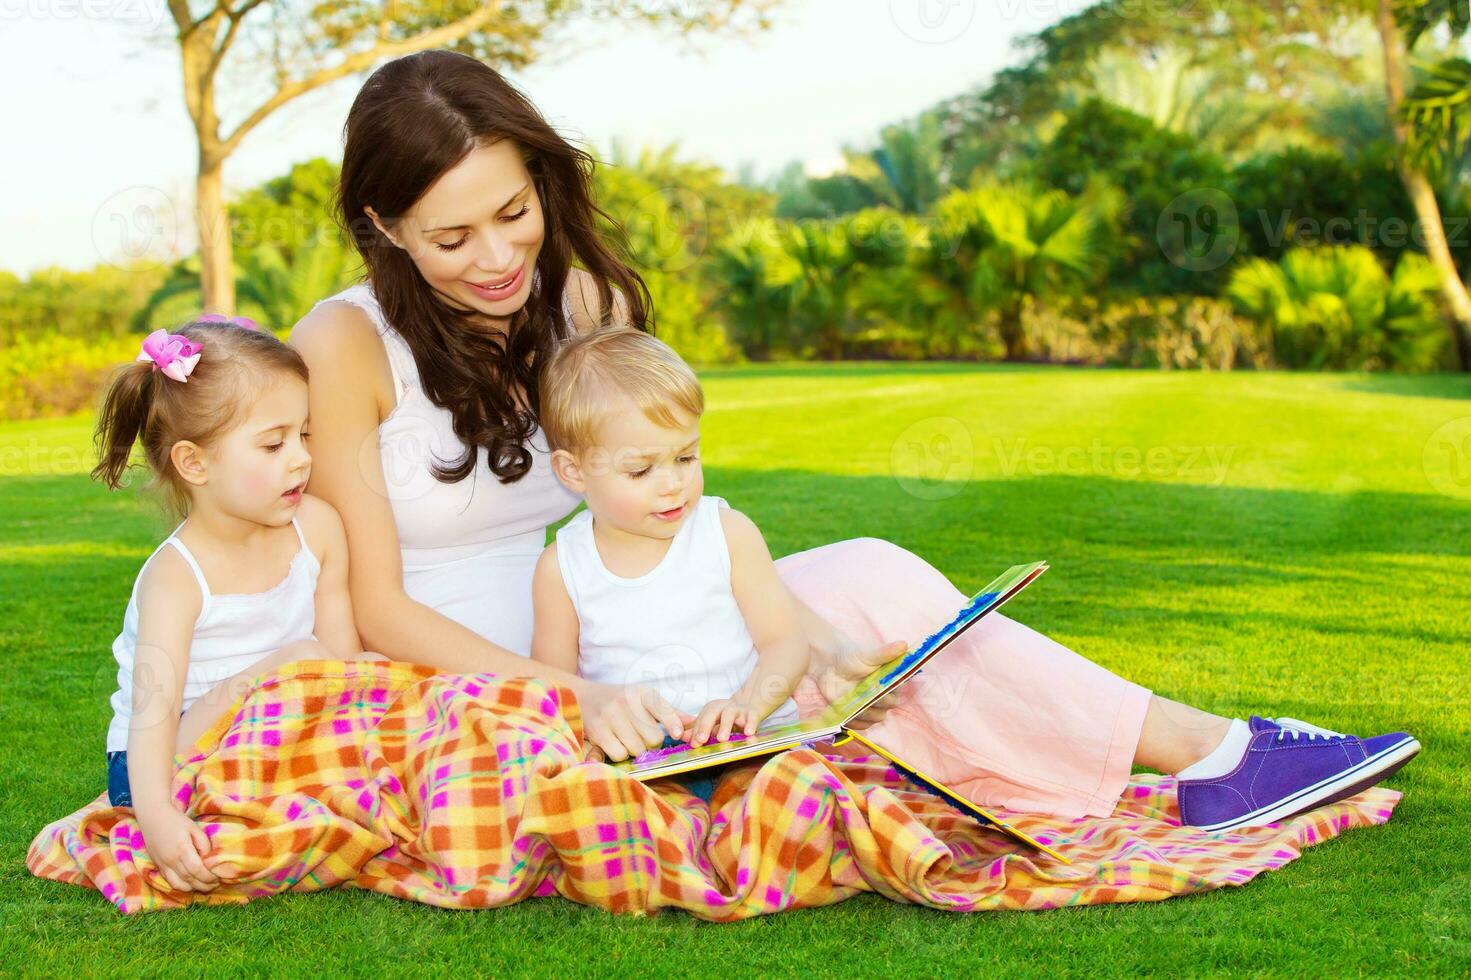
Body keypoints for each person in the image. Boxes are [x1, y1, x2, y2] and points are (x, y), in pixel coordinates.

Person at [289, 49, 1419, 834]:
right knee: (852, 608)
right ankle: (1210, 754)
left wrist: (759, 613)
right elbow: (378, 608)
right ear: (382, 225)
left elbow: (654, 489)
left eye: (514, 212)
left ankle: (1206, 753)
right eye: (450, 235)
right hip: (478, 666)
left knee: (866, 582)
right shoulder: (342, 343)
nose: (495, 256)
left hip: (615, 616)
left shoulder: (579, 302)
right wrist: (564, 691)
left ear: (543, 182)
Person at [91, 317, 383, 895]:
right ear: (194, 463)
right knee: (299, 657)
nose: (300, 459)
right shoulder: (177, 578)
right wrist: (155, 816)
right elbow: (154, 714)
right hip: (159, 758)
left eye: (305, 434)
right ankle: (140, 808)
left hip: (271, 730)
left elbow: (340, 665)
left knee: (361, 670)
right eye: (274, 444)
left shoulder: (318, 528)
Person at [530, 327, 803, 747]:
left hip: (755, 741)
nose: (673, 483)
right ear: (574, 472)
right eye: (640, 470)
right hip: (644, 759)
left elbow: (785, 642)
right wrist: (590, 739)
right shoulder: (562, 568)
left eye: (686, 457)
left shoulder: (727, 533)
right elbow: (556, 689)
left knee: (792, 799)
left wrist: (747, 704)